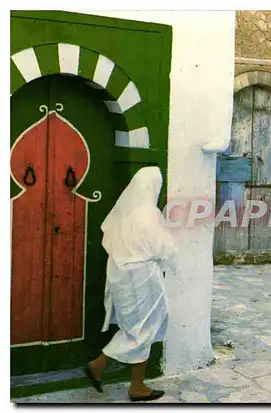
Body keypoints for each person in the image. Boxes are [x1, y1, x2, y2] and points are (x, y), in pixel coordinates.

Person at [85, 166, 178, 402]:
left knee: (137, 327)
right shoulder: (149, 214)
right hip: (142, 276)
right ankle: (104, 366)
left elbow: (108, 237)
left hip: (120, 273)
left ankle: (134, 383)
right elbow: (165, 248)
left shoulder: (124, 213)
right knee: (144, 328)